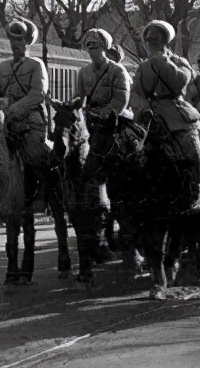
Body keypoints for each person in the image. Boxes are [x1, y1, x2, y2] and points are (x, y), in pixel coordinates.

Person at [0, 17, 61, 208]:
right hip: (6, 122)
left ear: (28, 42)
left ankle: (46, 194)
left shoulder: (36, 65)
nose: (15, 44)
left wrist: (13, 109)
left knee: (33, 156)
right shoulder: (2, 67)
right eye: (12, 40)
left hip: (30, 121)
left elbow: (38, 94)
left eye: (19, 40)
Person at [75, 28, 132, 261]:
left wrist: (105, 114)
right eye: (89, 47)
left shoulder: (117, 70)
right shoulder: (84, 72)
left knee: (132, 161)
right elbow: (80, 99)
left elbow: (121, 99)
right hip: (93, 126)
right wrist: (76, 112)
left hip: (117, 123)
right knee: (82, 168)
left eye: (96, 46)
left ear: (105, 47)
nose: (92, 51)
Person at [129, 20, 200, 175]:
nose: (150, 44)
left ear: (165, 41)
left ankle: (195, 193)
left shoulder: (179, 62)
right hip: (149, 116)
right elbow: (137, 93)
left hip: (177, 116)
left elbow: (179, 83)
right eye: (148, 40)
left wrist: (160, 59)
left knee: (192, 155)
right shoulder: (143, 66)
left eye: (155, 40)